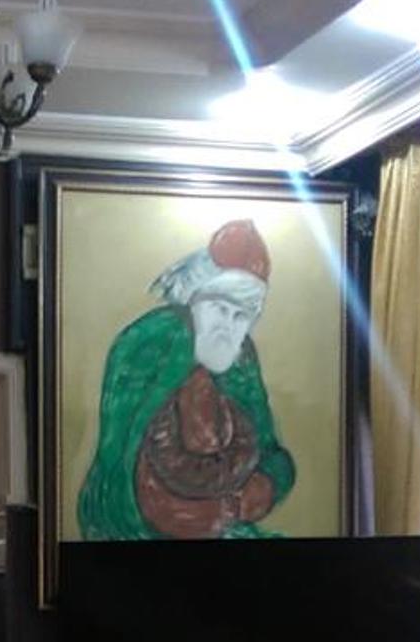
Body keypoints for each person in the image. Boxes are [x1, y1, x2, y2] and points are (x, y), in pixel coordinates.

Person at [76, 219, 295, 539]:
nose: (228, 326)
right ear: (194, 300)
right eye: (219, 308)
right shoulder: (149, 344)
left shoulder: (240, 359)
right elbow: (117, 466)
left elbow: (272, 455)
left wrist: (264, 488)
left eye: (241, 316)